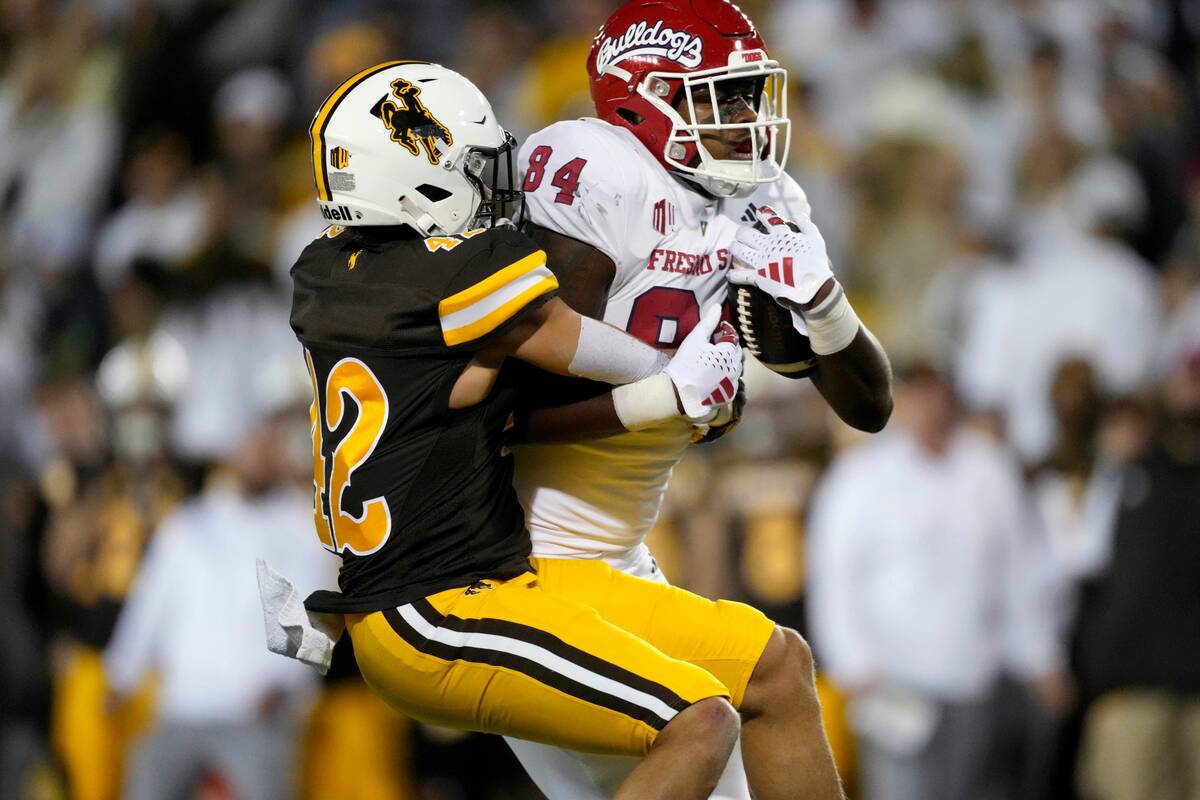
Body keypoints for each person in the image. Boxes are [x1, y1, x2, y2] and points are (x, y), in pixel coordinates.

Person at [268, 60, 783, 800]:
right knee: (699, 722)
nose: (495, 184)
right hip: (436, 608)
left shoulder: (328, 273)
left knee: (753, 673)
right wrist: (676, 375)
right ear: (415, 177)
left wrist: (667, 391)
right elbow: (566, 337)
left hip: (421, 598)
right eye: (476, 166)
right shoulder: (458, 274)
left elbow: (470, 388)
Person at [503, 1, 891, 798]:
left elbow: (869, 406)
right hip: (524, 560)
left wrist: (822, 304)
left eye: (750, 92)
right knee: (774, 670)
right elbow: (492, 421)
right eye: (723, 96)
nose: (748, 116)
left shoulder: (762, 196)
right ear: (638, 100)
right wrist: (661, 399)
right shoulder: (596, 178)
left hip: (619, 561)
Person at [805, 365, 1067, 800]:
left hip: (976, 674)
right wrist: (853, 663)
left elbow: (1021, 567)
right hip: (894, 681)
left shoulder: (988, 469)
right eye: (917, 396)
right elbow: (834, 578)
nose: (929, 408)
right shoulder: (860, 478)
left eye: (936, 395)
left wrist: (1040, 656)